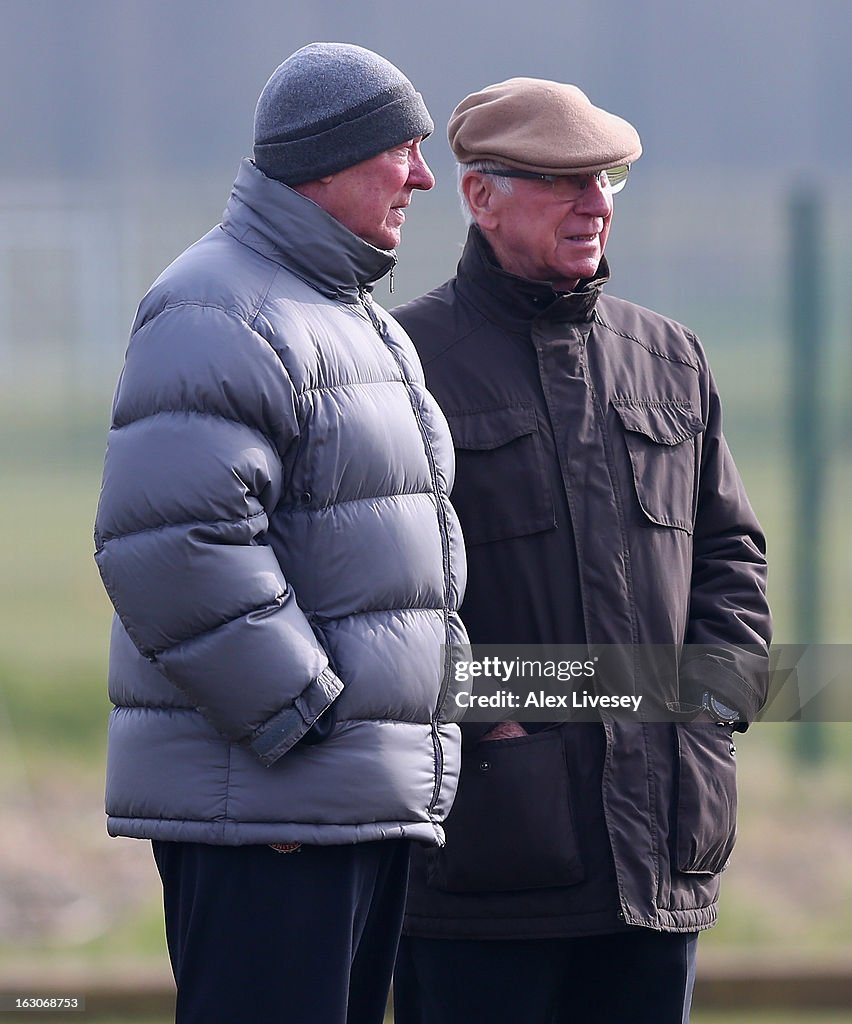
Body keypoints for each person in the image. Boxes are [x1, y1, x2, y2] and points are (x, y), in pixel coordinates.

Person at [93, 43, 467, 1024]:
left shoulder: (352, 317)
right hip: (276, 810)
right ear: (332, 162)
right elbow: (173, 544)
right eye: (406, 150)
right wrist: (302, 723)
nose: (425, 177)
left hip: (346, 802)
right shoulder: (218, 305)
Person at [391, 78, 772, 1024]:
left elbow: (731, 557)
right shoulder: (401, 363)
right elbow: (377, 602)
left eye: (606, 180)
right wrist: (492, 730)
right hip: (487, 866)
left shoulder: (671, 359)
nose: (596, 204)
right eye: (564, 183)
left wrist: (710, 709)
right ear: (480, 197)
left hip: (661, 860)